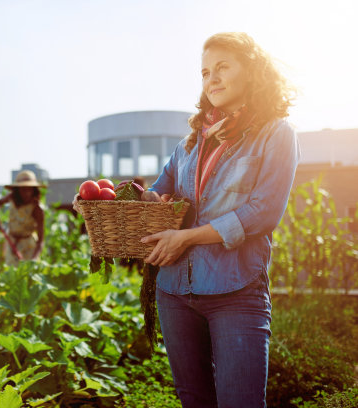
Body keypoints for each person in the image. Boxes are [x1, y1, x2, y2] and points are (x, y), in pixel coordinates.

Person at [139, 32, 299, 407]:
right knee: (194, 400)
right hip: (174, 290)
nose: (212, 78)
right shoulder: (189, 143)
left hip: (236, 291)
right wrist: (109, 199)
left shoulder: (275, 134)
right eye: (205, 71)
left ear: (252, 72)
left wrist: (188, 237)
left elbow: (262, 212)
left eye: (223, 67)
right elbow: (157, 196)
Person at [0, 170, 45, 265]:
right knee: (12, 275)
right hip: (12, 243)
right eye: (23, 189)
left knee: (27, 276)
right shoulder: (12, 198)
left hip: (29, 247)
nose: (26, 193)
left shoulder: (37, 209)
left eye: (29, 189)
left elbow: (40, 241)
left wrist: (34, 259)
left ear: (34, 190)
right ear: (17, 190)